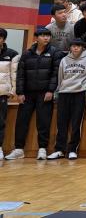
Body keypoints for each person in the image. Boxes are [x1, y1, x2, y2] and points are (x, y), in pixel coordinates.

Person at [5, 29, 62, 161]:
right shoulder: (27, 53)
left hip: (45, 93)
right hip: (27, 93)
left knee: (43, 122)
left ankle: (42, 149)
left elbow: (55, 74)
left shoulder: (55, 52)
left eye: (48, 36)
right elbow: (20, 74)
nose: (46, 38)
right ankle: (19, 149)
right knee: (21, 121)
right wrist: (20, 92)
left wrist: (50, 90)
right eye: (43, 35)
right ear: (36, 38)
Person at [48, 38, 86, 160]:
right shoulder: (64, 60)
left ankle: (73, 150)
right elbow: (60, 77)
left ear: (82, 47)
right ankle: (59, 150)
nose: (75, 48)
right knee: (61, 123)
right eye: (73, 46)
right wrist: (58, 92)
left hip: (80, 93)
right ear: (70, 48)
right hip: (64, 93)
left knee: (76, 123)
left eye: (78, 46)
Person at [0, 28, 19, 160]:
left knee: (0, 122)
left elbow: (14, 74)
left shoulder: (12, 54)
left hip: (2, 93)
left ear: (4, 39)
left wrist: (13, 91)